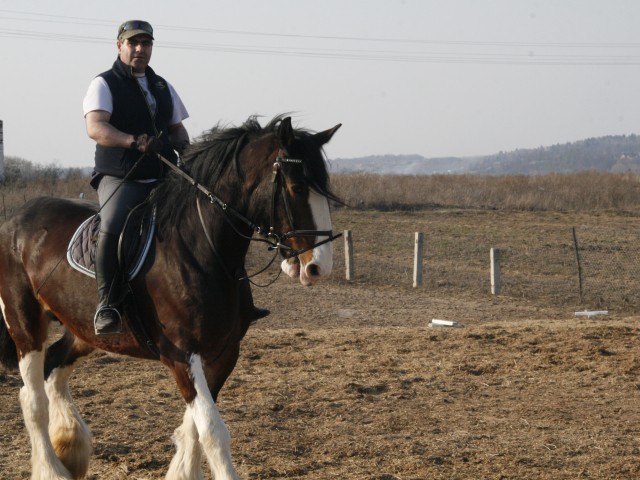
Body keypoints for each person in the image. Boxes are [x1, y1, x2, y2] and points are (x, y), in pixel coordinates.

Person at [83, 20, 267, 336]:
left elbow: (177, 128)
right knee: (113, 225)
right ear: (119, 46)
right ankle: (108, 303)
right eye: (133, 43)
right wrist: (133, 141)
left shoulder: (162, 86)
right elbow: (96, 128)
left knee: (214, 218)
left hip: (164, 176)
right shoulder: (103, 84)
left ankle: (240, 300)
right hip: (121, 177)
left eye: (146, 44)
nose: (140, 49)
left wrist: (191, 153)